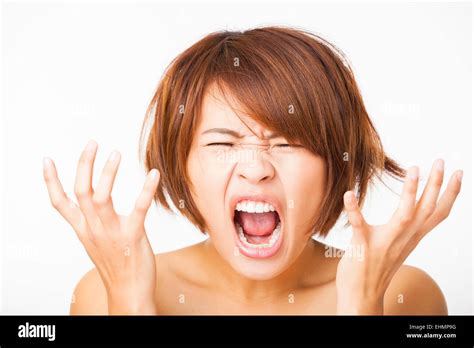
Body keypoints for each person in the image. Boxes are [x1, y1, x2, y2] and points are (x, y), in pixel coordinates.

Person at [42, 26, 463, 315]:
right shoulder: (104, 292)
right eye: (223, 144)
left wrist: (362, 308)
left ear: (336, 165)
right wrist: (131, 305)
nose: (256, 169)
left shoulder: (406, 296)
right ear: (180, 168)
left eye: (288, 143)